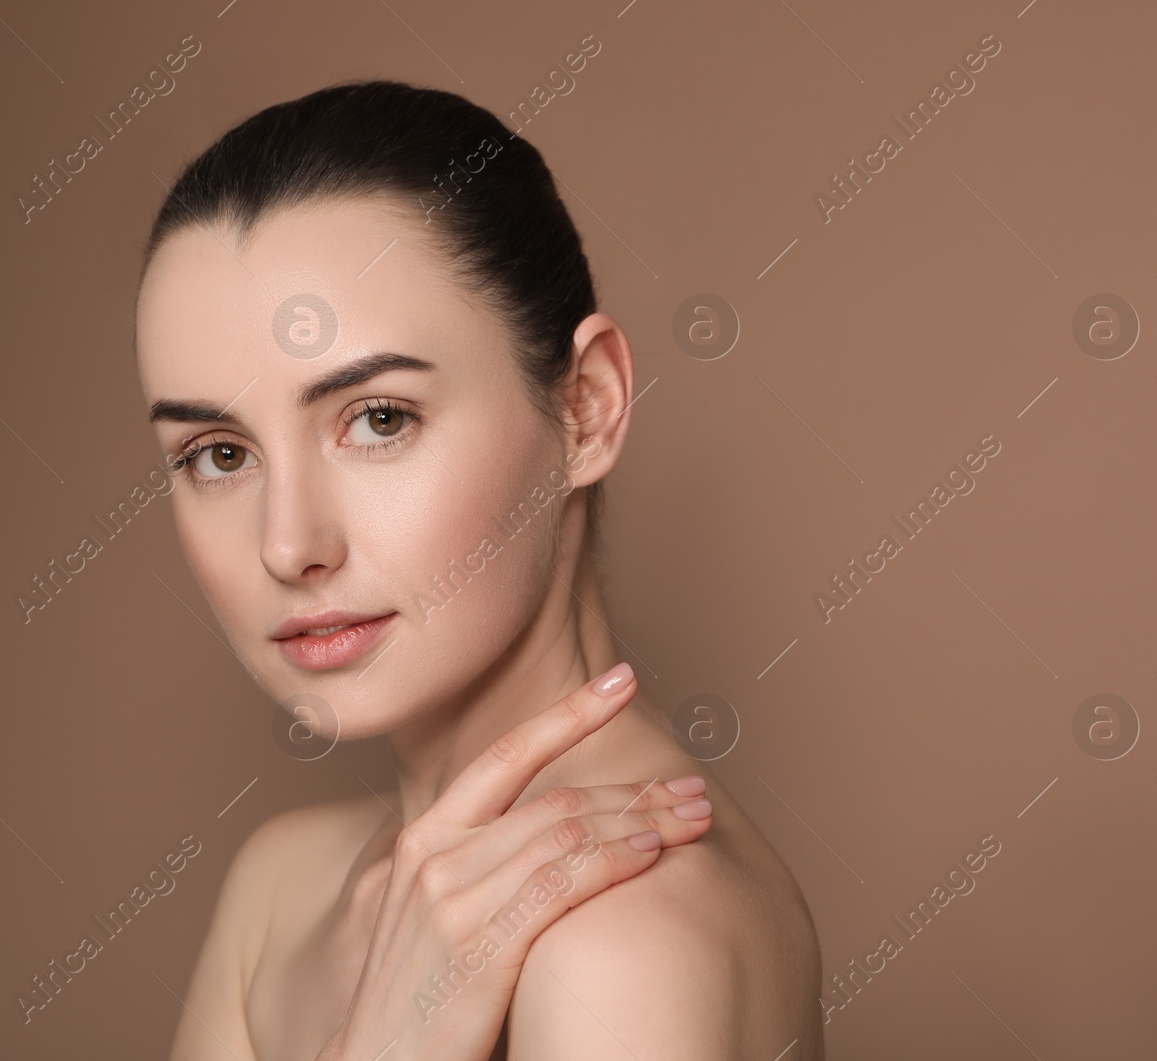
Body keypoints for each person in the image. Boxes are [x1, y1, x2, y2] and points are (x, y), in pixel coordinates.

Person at [134, 79, 823, 1060]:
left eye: (378, 419)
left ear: (586, 407)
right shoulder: (279, 888)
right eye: (219, 452)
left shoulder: (621, 949)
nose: (288, 545)